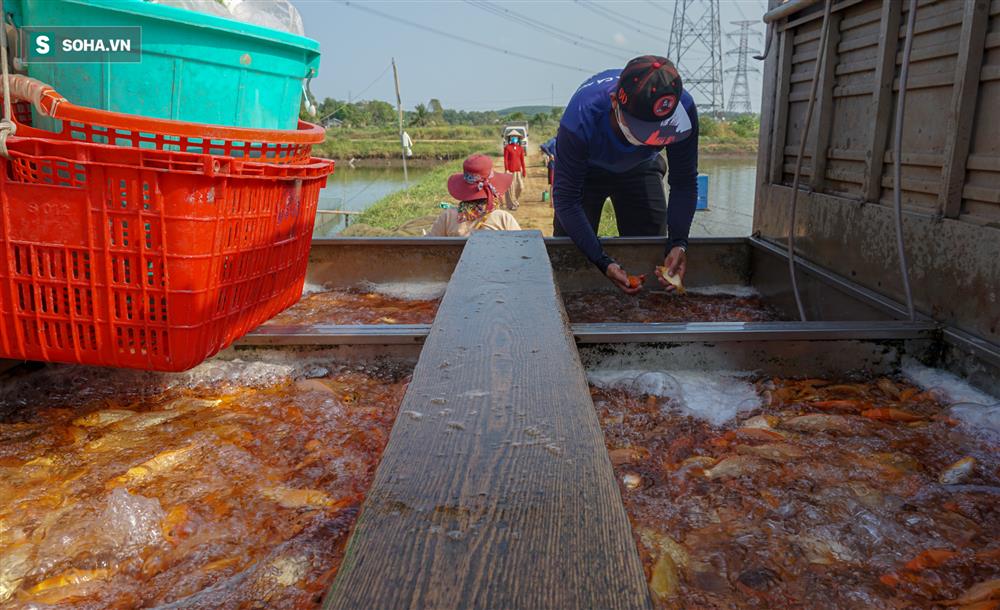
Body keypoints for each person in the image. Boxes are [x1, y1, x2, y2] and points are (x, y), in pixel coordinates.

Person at [553, 55, 698, 295]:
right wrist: (602, 261)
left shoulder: (684, 108)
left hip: (641, 167)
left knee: (650, 246)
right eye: (642, 130)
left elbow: (684, 182)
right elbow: (566, 200)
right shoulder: (581, 116)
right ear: (614, 102)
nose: (649, 139)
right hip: (587, 170)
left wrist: (679, 242)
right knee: (571, 252)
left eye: (659, 132)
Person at [429, 154, 522, 236]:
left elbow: (428, 245)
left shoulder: (448, 217)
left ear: (463, 188)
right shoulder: (503, 219)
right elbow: (521, 246)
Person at [503, 134, 527, 210]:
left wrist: (524, 170)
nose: (514, 138)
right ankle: (511, 204)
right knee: (510, 188)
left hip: (518, 171)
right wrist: (506, 169)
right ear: (510, 138)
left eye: (516, 137)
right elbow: (505, 159)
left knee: (520, 187)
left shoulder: (520, 148)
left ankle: (515, 200)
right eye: (513, 137)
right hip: (510, 171)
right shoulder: (507, 148)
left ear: (518, 139)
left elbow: (522, 160)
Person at [540, 136, 557, 202]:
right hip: (553, 165)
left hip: (561, 167)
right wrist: (550, 155)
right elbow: (543, 146)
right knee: (553, 184)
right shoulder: (553, 141)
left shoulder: (565, 141)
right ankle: (552, 201)